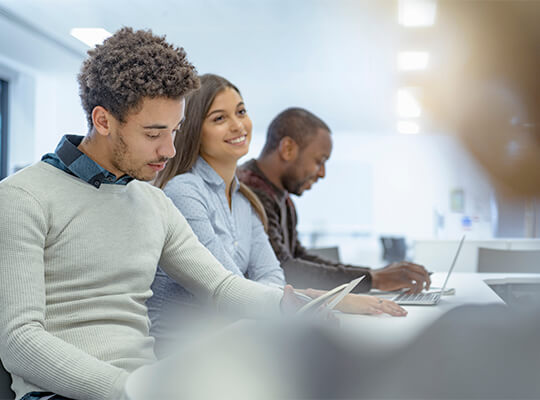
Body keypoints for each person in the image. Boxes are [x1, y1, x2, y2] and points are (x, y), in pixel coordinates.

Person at [0, 28, 299, 400]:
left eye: (174, 131)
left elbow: (221, 287)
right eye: (154, 133)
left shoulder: (154, 203)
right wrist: (127, 388)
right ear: (103, 120)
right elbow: (19, 340)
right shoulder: (23, 196)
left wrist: (286, 306)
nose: (170, 150)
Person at [148, 73, 406, 347]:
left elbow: (272, 276)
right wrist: (330, 300)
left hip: (233, 339)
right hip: (184, 349)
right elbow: (230, 287)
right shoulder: (184, 191)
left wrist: (304, 302)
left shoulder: (245, 202)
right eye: (219, 119)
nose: (238, 125)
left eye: (241, 112)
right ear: (194, 131)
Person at [238, 107, 432, 294]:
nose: (322, 173)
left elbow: (297, 256)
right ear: (288, 149)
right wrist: (374, 279)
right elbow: (283, 269)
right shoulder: (250, 191)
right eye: (319, 161)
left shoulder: (282, 197)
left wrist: (373, 275)